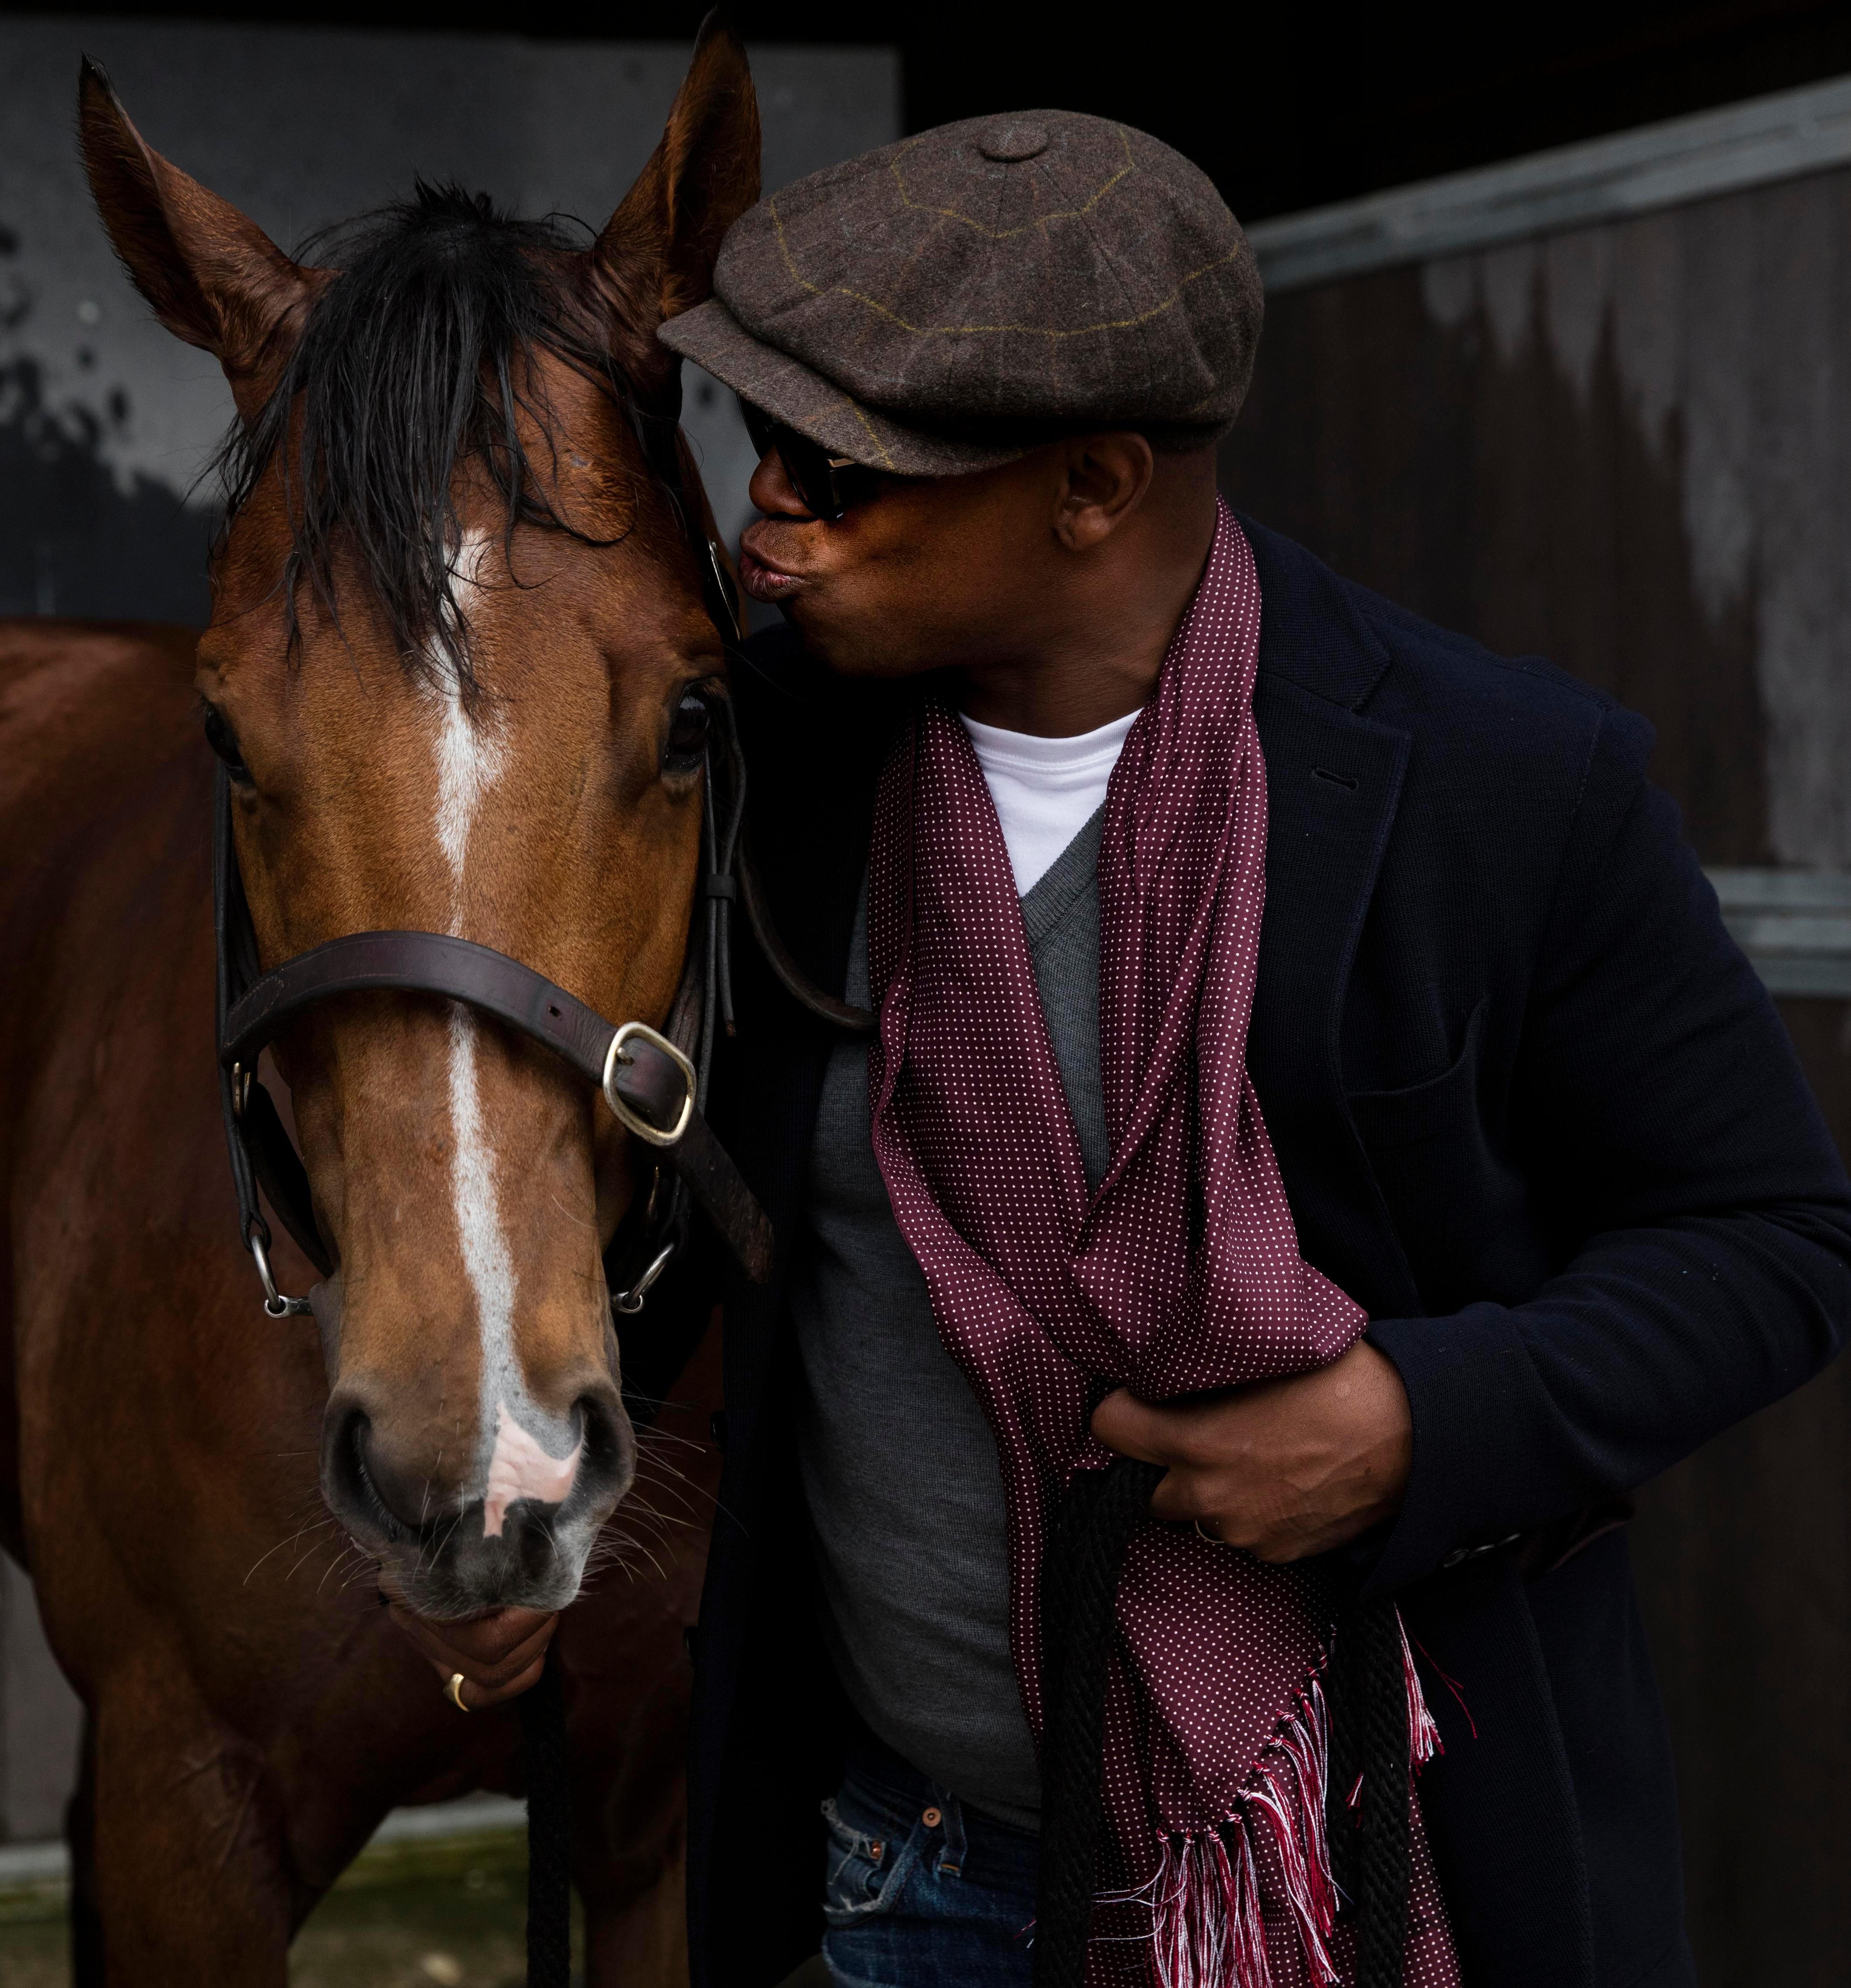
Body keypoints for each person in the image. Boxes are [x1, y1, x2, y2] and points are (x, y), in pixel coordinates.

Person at [402, 112, 1851, 1988]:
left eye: (832, 468)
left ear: (1089, 486)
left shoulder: (1507, 787)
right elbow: (657, 1174)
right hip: (893, 1878)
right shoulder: (750, 770)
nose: (763, 517)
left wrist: (1415, 1425)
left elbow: (1772, 1241)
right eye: (748, 442)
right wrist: (511, 1488)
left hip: (1366, 1869)